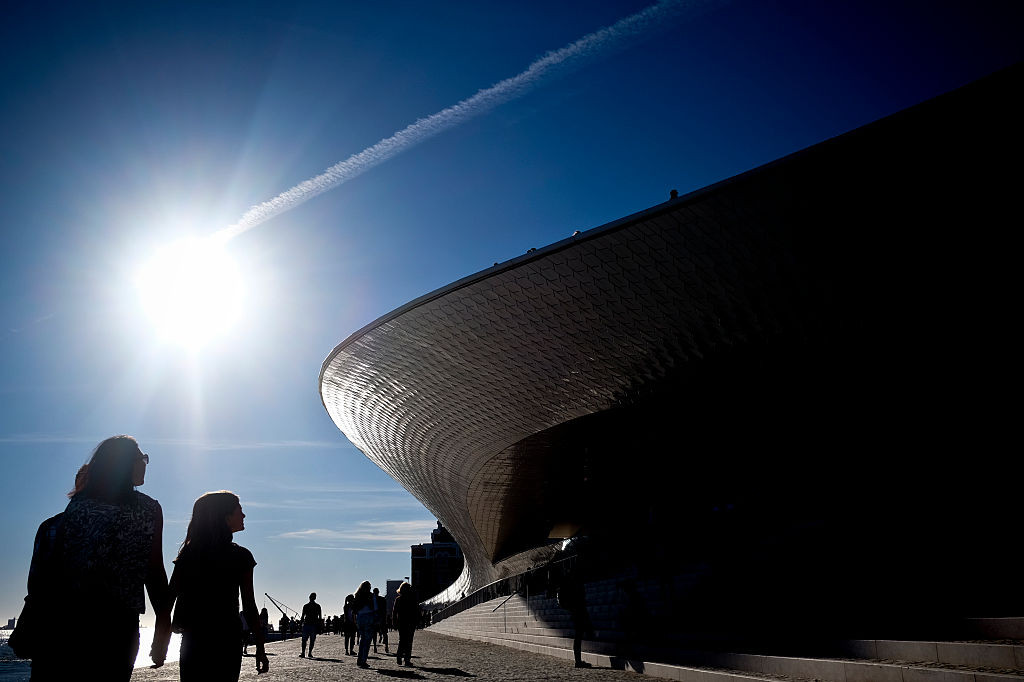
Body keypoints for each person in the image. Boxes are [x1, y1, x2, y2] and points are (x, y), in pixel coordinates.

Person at [29, 435, 170, 681]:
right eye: (142, 458)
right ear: (126, 463)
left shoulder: (77, 506)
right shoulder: (149, 509)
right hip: (118, 626)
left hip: (66, 624)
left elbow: (52, 570)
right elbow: (154, 570)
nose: (145, 463)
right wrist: (162, 626)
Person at [161, 491, 269, 680]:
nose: (243, 516)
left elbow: (169, 599)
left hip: (194, 640)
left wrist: (160, 641)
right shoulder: (241, 556)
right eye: (240, 511)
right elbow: (249, 606)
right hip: (227, 642)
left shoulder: (189, 553)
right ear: (226, 518)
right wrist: (260, 647)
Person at [393, 582, 420, 667]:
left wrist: (394, 622)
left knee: (402, 640)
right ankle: (407, 660)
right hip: (410, 622)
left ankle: (399, 657)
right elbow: (416, 611)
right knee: (409, 641)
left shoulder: (398, 599)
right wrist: (418, 621)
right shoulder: (413, 599)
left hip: (402, 622)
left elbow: (394, 612)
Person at [352, 581, 376, 667]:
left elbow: (354, 610)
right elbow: (375, 608)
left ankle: (360, 659)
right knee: (367, 640)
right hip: (369, 618)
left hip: (360, 618)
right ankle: (363, 660)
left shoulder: (357, 595)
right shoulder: (371, 595)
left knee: (362, 639)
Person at [299, 592, 322, 658]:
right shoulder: (317, 606)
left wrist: (300, 625)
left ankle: (304, 653)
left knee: (304, 640)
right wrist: (320, 626)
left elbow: (303, 616)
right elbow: (320, 617)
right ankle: (309, 653)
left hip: (308, 625)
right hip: (312, 625)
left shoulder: (306, 606)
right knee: (311, 640)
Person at [371, 587, 388, 653]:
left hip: (375, 618)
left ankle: (375, 647)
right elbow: (385, 610)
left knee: (374, 634)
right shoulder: (382, 599)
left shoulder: (372, 600)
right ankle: (386, 646)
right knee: (384, 633)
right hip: (381, 618)